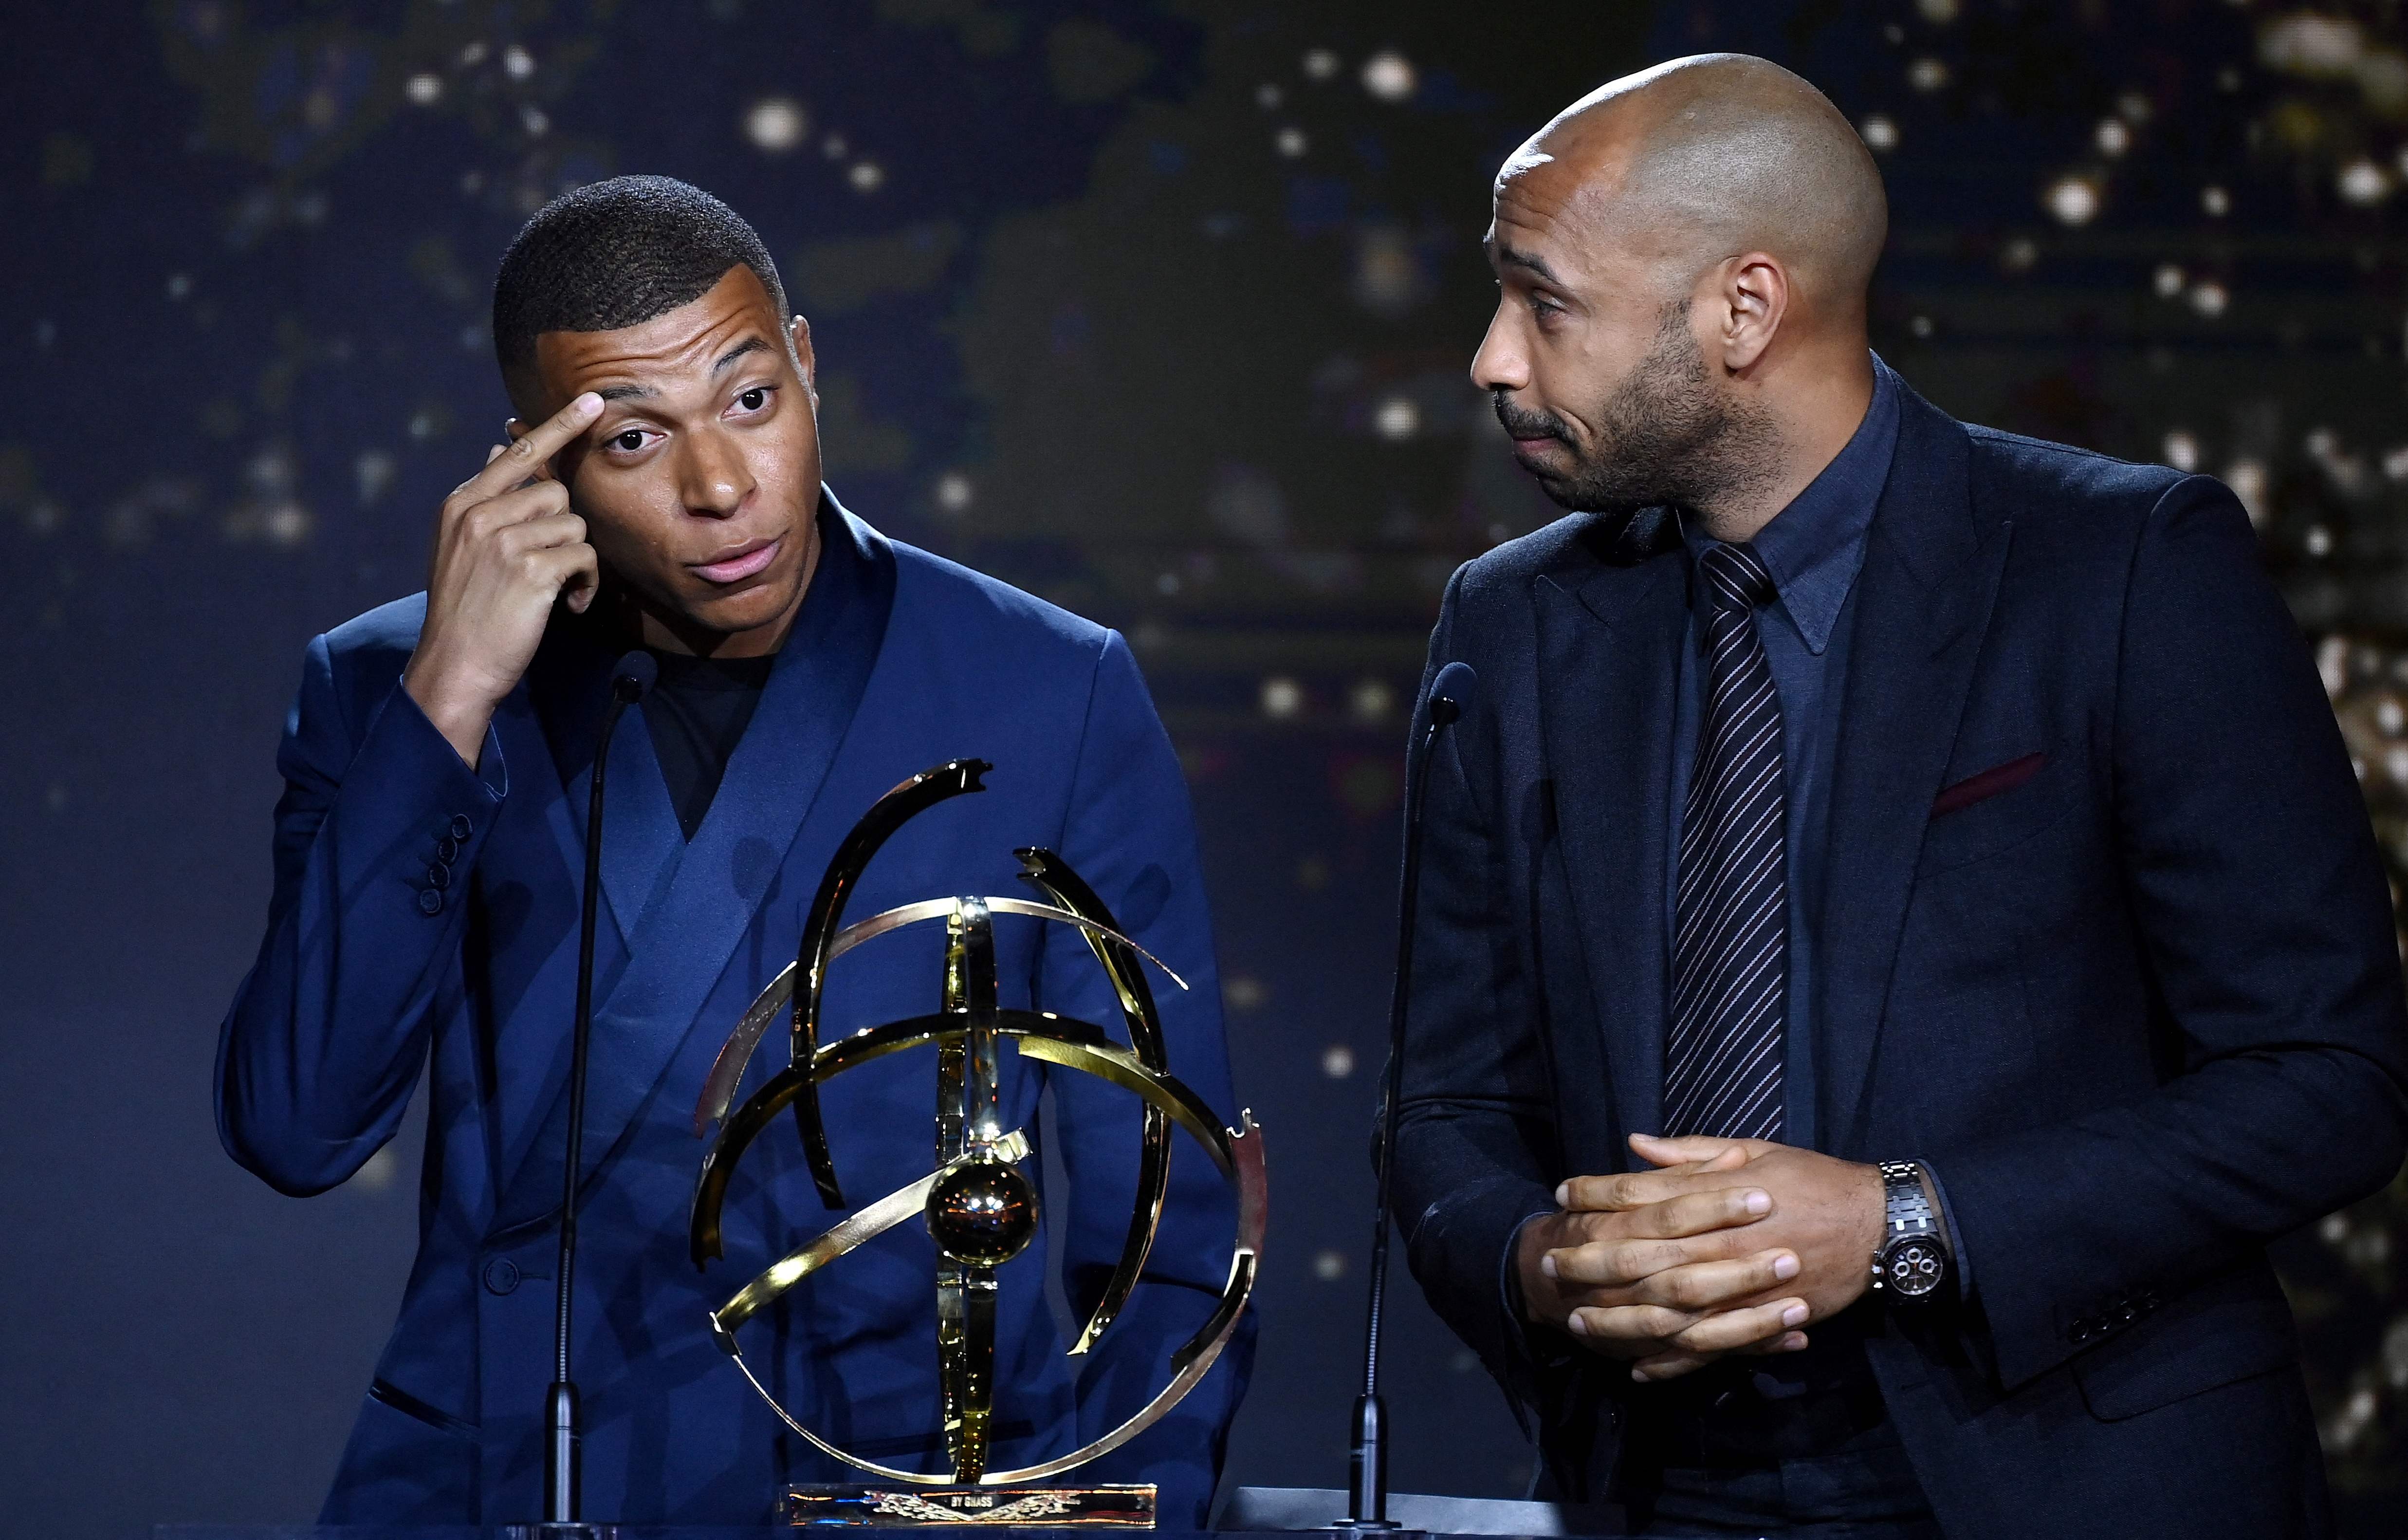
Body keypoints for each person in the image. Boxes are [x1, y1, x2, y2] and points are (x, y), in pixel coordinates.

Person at [1390, 54, 2408, 1540]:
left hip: (2068, 1475)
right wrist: (1550, 1264)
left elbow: (2326, 1078)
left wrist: (1901, 1227)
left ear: (1743, 308)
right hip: (1656, 1486)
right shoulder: (1512, 624)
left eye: (1541, 302)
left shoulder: (2118, 569)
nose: (1490, 357)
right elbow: (1446, 1105)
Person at [215, 176, 1248, 1525]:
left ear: (808, 364)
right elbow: (296, 1123)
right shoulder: (389, 691)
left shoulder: (1050, 688)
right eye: (635, 438)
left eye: (751, 400)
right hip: (503, 1472)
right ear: (534, 459)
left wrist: (1108, 1508)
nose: (721, 486)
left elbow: (1166, 1216)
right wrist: (450, 701)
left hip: (885, 1487)